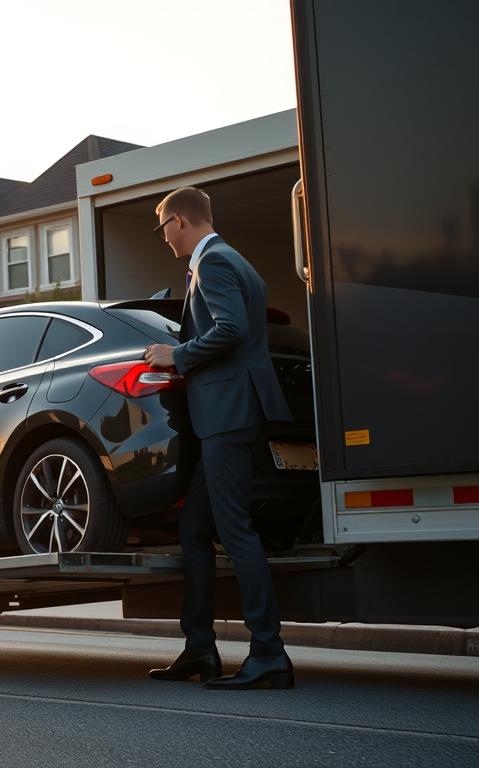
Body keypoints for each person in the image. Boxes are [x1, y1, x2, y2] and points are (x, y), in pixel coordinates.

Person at [142, 186, 296, 690]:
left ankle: (269, 654)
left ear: (181, 221)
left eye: (162, 226)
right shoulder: (233, 261)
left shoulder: (214, 262)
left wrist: (177, 355)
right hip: (226, 415)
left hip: (228, 414)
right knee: (195, 529)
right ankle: (200, 649)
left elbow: (230, 328)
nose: (162, 237)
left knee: (235, 531)